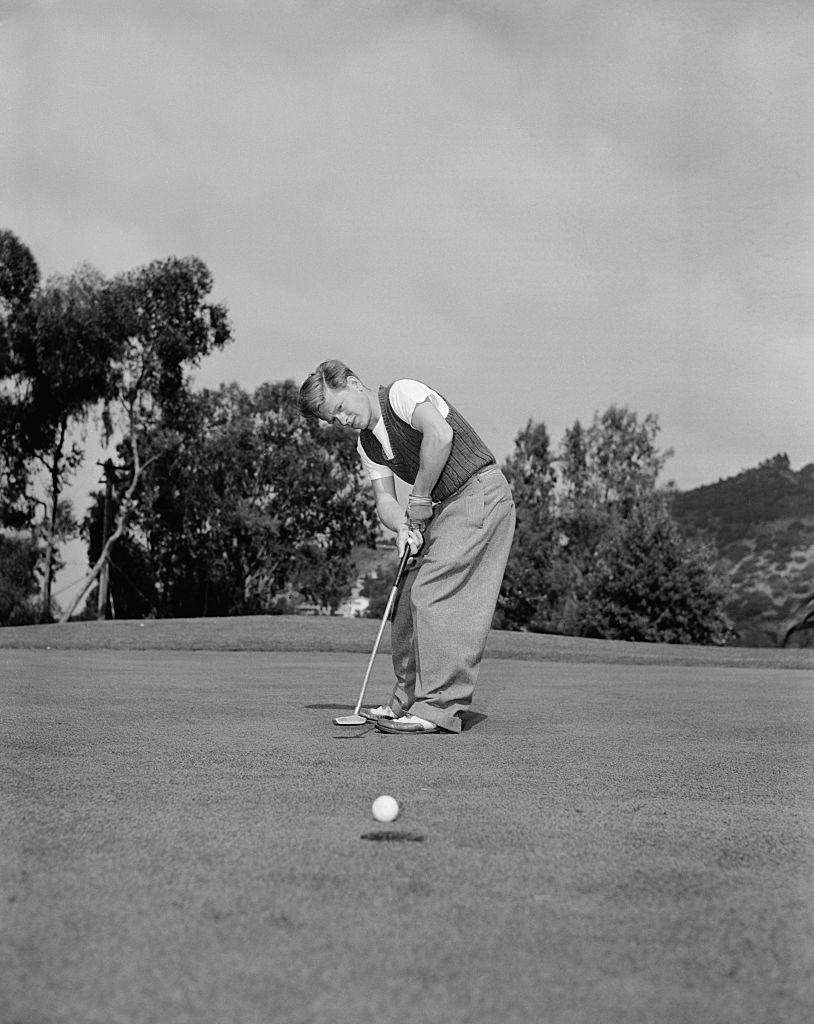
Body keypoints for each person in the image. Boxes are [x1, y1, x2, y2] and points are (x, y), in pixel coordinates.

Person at [299, 360, 515, 734]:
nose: (342, 421)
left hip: (478, 491)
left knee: (432, 592)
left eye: (338, 408)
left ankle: (439, 708)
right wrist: (401, 524)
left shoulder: (401, 394)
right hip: (441, 508)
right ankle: (405, 702)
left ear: (352, 382)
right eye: (332, 420)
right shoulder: (368, 446)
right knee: (406, 598)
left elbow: (440, 436)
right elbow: (384, 501)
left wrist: (418, 500)